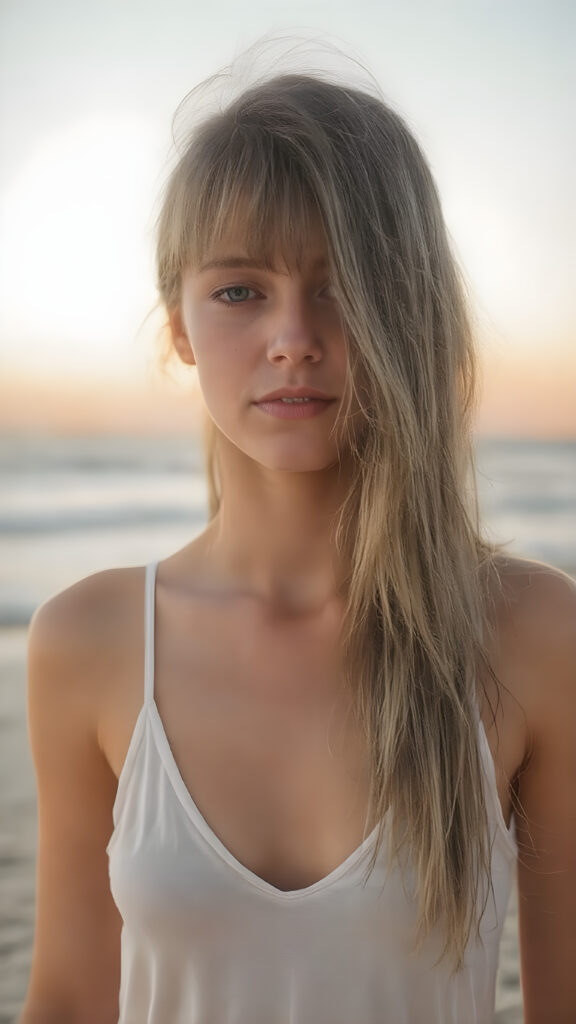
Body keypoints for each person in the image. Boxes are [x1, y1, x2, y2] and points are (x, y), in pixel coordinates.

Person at [19, 56, 576, 1024]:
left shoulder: (531, 633)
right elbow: (68, 999)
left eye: (342, 282)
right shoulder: (88, 640)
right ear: (181, 325)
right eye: (240, 290)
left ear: (409, 305)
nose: (293, 337)